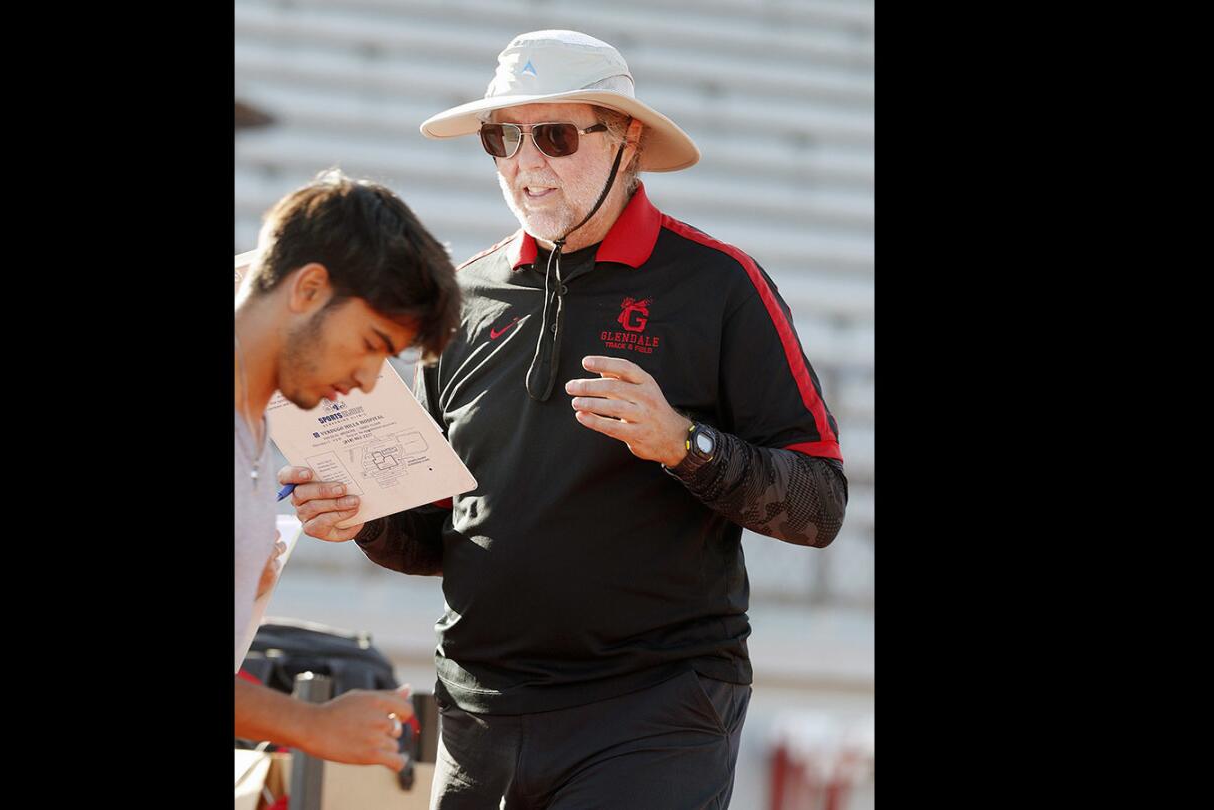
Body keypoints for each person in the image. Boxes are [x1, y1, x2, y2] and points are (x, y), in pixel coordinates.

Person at [282, 30, 848, 806]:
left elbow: (821, 507)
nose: (524, 162)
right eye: (501, 137)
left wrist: (685, 445)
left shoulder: (721, 285)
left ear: (630, 141)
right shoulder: (460, 297)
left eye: (554, 135)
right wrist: (366, 518)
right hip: (478, 712)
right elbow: (439, 534)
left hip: (654, 710)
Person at [235, 168, 460, 770]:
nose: (368, 380)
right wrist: (309, 722)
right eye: (371, 342)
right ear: (308, 289)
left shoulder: (259, 431)